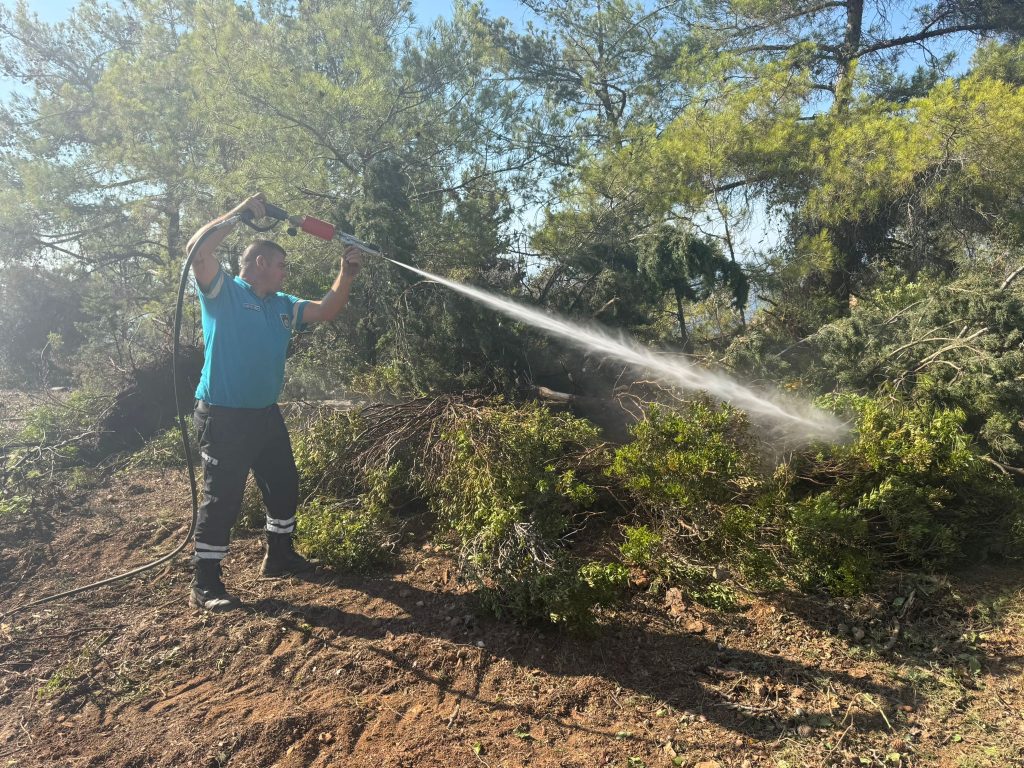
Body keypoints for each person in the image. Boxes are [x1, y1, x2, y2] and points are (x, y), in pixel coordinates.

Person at [185, 193, 363, 611]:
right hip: (224, 416)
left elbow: (326, 310)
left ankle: (279, 556)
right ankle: (205, 583)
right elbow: (197, 251)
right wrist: (238, 214)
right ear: (261, 262)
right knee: (222, 497)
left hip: (265, 415)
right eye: (282, 264)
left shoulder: (284, 305)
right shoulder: (223, 292)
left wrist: (346, 274)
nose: (286, 271)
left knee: (283, 482)